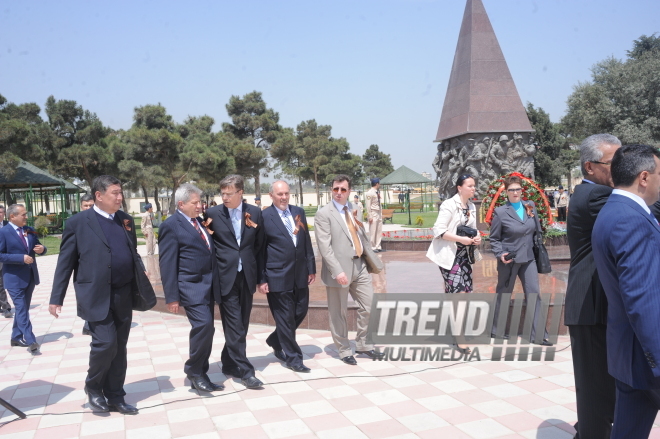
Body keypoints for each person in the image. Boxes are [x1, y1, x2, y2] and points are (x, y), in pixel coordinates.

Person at [49, 175, 145, 415]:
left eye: (120, 192)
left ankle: (115, 396)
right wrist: (56, 297)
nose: (120, 197)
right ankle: (93, 388)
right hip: (95, 294)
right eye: (115, 193)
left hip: (123, 293)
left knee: (119, 346)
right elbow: (65, 263)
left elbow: (131, 251)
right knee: (105, 343)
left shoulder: (125, 220)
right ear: (98, 196)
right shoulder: (78, 223)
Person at [592, 144, 660, 439]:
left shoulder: (614, 211)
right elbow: (642, 300)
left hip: (628, 354)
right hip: (648, 358)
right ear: (644, 177)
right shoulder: (631, 220)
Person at [565, 133, 621, 438]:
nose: (621, 170)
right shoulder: (596, 196)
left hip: (596, 302)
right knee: (594, 386)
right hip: (590, 304)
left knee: (599, 383)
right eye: (614, 164)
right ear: (590, 166)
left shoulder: (592, 192)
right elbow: (643, 212)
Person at [158, 183, 224, 392]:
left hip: (208, 285)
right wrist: (172, 297)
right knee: (204, 326)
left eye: (200, 202)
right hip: (190, 286)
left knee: (208, 329)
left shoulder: (200, 222)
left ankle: (200, 372)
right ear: (181, 204)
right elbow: (167, 263)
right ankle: (194, 371)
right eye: (195, 203)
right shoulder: (171, 225)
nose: (200, 206)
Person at [315, 174, 384, 365]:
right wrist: (337, 271)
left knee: (369, 305)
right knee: (339, 313)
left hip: (359, 265)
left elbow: (360, 236)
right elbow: (324, 246)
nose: (339, 193)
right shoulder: (324, 214)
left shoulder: (354, 209)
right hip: (339, 270)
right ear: (331, 190)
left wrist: (370, 258)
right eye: (335, 189)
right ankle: (344, 350)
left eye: (343, 190)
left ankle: (363, 344)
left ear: (349, 191)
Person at [204, 175, 265, 389]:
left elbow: (259, 246)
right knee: (235, 326)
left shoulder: (255, 213)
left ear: (241, 193)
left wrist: (260, 277)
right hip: (224, 277)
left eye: (229, 193)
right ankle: (246, 372)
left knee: (243, 324)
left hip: (246, 275)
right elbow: (208, 245)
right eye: (222, 193)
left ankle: (228, 362)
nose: (225, 197)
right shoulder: (212, 214)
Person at [258, 181, 316, 372]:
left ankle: (276, 339)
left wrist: (311, 267)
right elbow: (259, 251)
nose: (283, 197)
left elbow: (305, 241)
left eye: (286, 193)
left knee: (300, 311)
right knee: (284, 317)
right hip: (276, 275)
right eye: (279, 194)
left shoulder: (298, 211)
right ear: (271, 195)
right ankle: (294, 359)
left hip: (299, 273)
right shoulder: (264, 217)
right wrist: (262, 278)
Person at [489, 175, 551, 346]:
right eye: (511, 190)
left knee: (533, 293)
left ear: (522, 190)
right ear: (506, 192)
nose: (515, 193)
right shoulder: (501, 212)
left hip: (529, 258)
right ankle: (497, 330)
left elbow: (536, 231)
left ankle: (538, 335)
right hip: (509, 260)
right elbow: (494, 238)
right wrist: (500, 253)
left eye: (518, 189)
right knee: (504, 293)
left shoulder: (530, 206)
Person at [426, 174, 481, 353]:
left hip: (465, 256)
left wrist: (477, 237)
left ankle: (456, 330)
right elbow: (439, 230)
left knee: (464, 295)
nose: (473, 188)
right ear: (459, 187)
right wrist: (461, 239)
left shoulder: (471, 206)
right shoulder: (449, 205)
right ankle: (460, 338)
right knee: (458, 294)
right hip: (450, 256)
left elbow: (472, 228)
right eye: (470, 185)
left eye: (474, 186)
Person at [0, 204, 46, 353]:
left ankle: (16, 336)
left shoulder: (29, 229)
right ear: (12, 216)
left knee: (23, 309)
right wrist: (20, 258)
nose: (26, 216)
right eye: (23, 214)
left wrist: (42, 249)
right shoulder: (4, 232)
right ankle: (31, 339)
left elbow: (38, 246)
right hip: (13, 279)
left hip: (30, 277)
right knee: (21, 309)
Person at [80, 194, 95, 336]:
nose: (88, 208)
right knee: (87, 298)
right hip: (83, 270)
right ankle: (87, 323)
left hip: (98, 268)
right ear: (81, 207)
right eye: (86, 206)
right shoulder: (76, 223)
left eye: (91, 205)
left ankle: (89, 324)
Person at [0, 205, 12, 319]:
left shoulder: (8, 226)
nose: (0, 214)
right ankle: (4, 306)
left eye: (2, 212)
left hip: (5, 259)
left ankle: (5, 307)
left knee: (2, 285)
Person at [365, 178, 383, 252]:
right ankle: (373, 246)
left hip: (378, 213)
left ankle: (378, 246)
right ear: (377, 184)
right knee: (373, 230)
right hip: (373, 213)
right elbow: (368, 205)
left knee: (379, 230)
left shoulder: (377, 192)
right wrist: (370, 216)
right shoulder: (370, 193)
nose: (379, 185)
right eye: (379, 183)